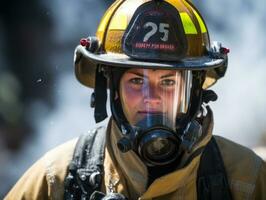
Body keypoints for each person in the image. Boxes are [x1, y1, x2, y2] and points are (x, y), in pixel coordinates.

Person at [5, 0, 266, 199]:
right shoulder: (57, 181)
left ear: (196, 91)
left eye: (168, 82)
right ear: (112, 88)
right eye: (136, 81)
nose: (151, 98)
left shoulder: (246, 180)